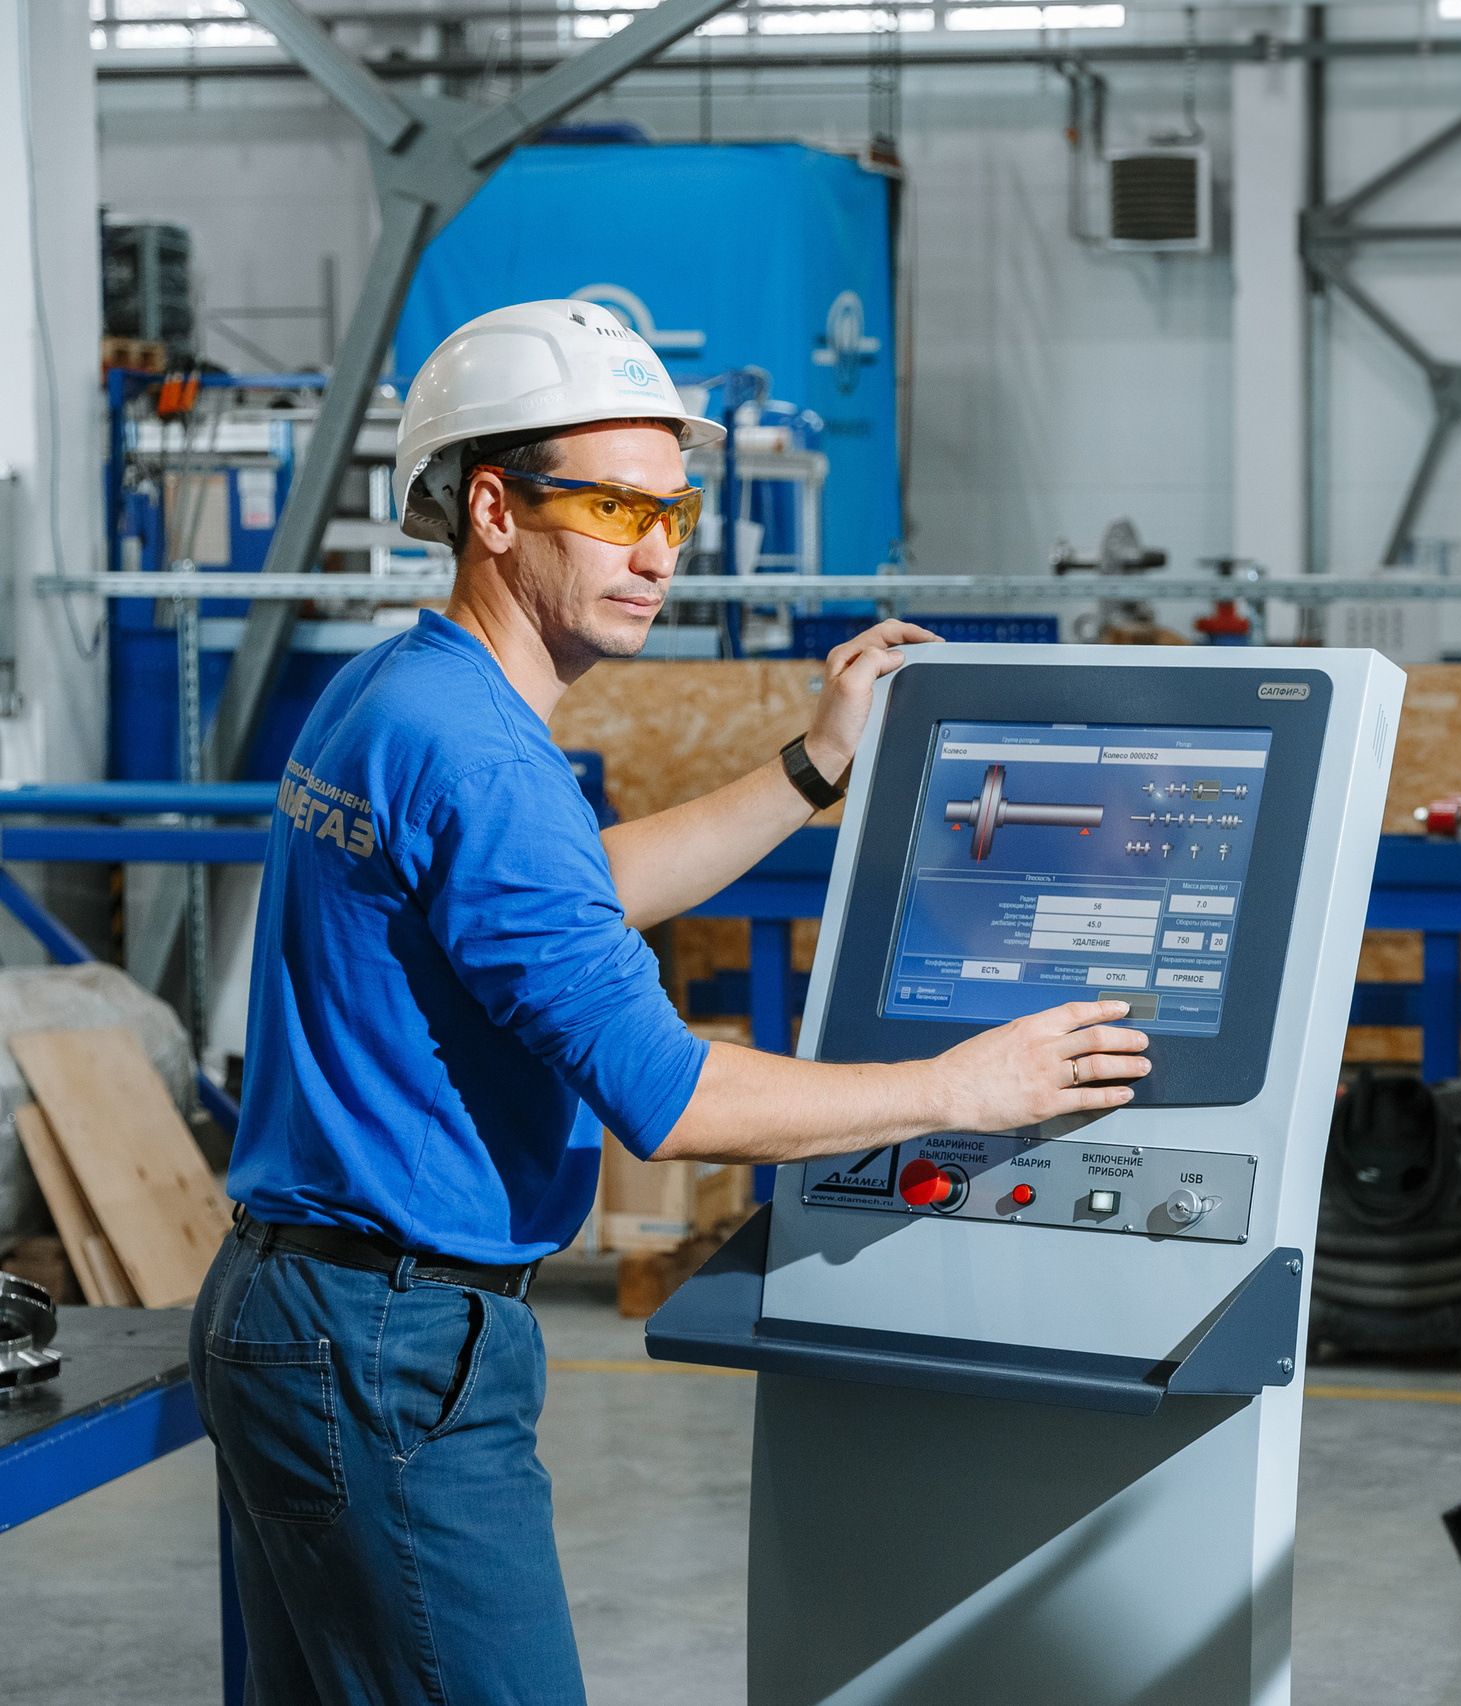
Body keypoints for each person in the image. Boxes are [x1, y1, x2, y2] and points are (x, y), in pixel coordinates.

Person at [187, 299, 1151, 1705]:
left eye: (674, 509)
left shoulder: (397, 693)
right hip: (391, 1348)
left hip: (299, 1307)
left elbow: (565, 894)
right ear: (498, 508)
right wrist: (970, 1086)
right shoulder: (484, 760)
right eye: (613, 504)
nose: (656, 549)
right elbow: (672, 1093)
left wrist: (813, 767)